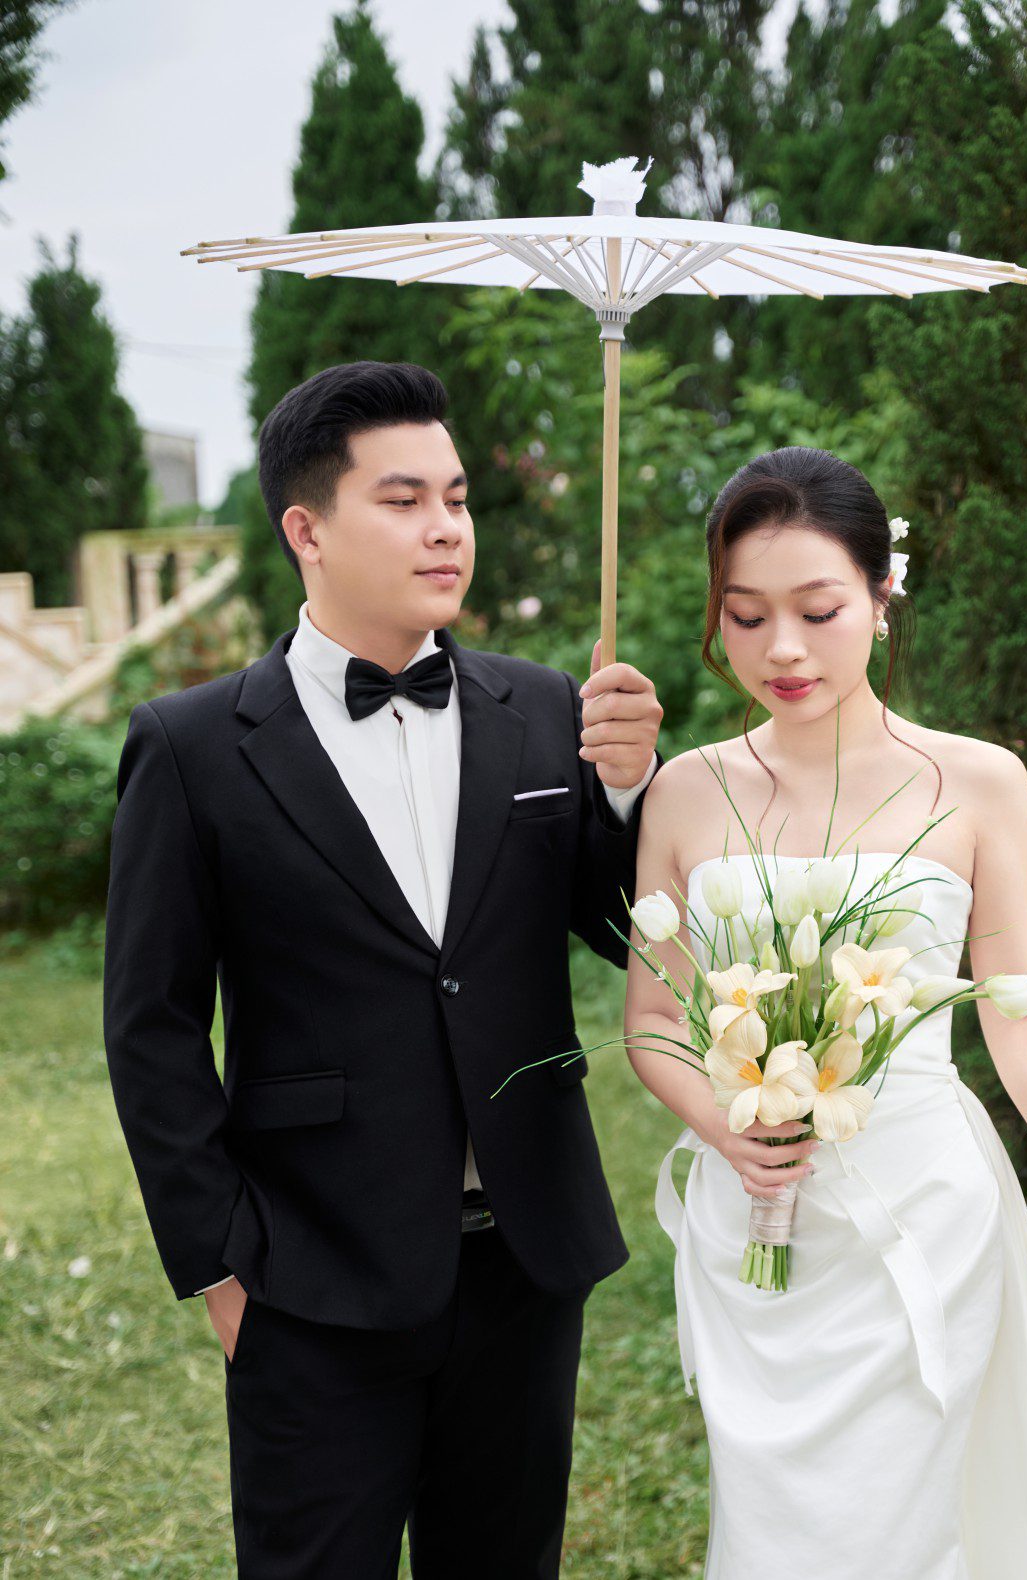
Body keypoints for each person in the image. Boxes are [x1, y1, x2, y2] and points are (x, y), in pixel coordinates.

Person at [623, 446, 1027, 1578]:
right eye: (747, 616)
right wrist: (728, 1129)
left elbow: (1018, 1018)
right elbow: (654, 1018)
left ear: (881, 596)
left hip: (922, 1204)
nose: (783, 649)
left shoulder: (981, 781)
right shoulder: (685, 788)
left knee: (907, 1525)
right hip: (752, 1217)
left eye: (818, 610)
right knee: (776, 1529)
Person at [102, 360, 663, 1577]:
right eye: (404, 500)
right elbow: (150, 1024)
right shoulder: (192, 748)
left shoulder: (545, 709)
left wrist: (626, 792)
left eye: (456, 497)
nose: (447, 526)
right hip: (310, 1271)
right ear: (307, 529)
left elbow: (629, 930)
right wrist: (220, 1265)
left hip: (525, 1258)